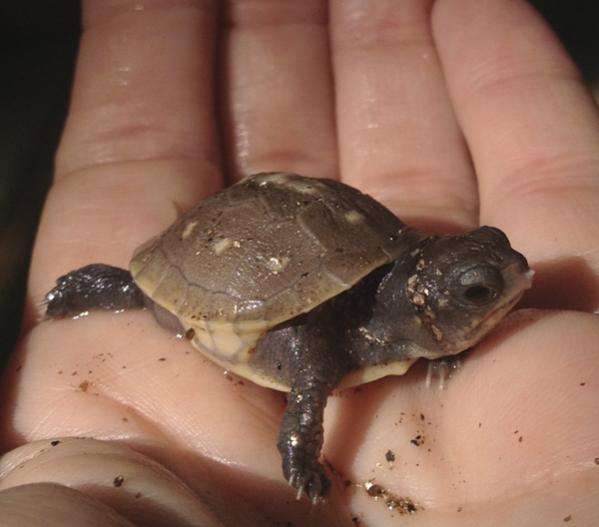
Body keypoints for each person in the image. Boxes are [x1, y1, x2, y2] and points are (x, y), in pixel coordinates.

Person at [1, 1, 598, 525]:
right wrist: (303, 458)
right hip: (226, 268)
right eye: (477, 290)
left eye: (481, 281)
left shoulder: (397, 309)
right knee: (144, 297)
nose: (512, 278)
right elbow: (307, 393)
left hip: (352, 255)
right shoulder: (322, 349)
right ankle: (104, 287)